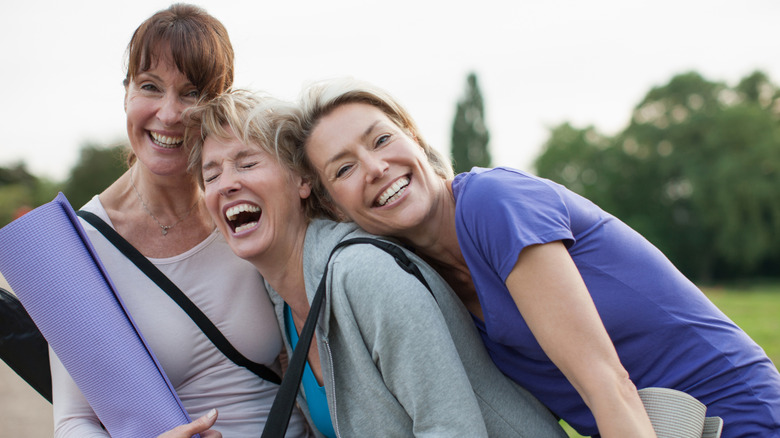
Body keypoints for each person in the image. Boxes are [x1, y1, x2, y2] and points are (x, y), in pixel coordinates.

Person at [285, 77, 780, 438]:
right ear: (331, 204)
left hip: (738, 417)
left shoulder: (493, 204)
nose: (375, 167)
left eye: (382, 138)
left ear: (414, 137)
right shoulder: (419, 278)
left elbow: (608, 383)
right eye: (345, 167)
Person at [185, 89, 568, 437]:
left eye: (246, 163)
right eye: (211, 175)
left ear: (302, 180)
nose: (225, 184)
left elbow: (451, 429)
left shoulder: (364, 274)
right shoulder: (283, 301)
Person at [49, 5, 309, 437]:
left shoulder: (248, 206)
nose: (168, 114)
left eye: (190, 93)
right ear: (127, 93)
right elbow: (74, 421)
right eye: (150, 86)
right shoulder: (79, 247)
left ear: (218, 104)